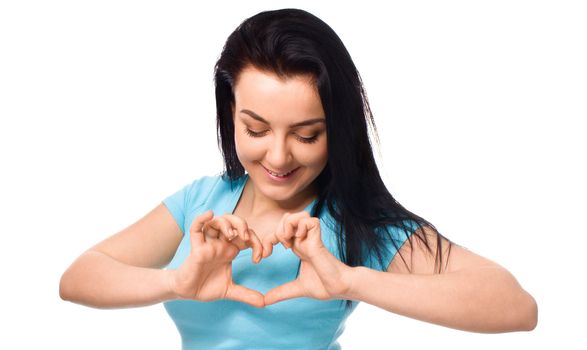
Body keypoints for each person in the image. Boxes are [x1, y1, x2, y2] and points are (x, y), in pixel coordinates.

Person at [59, 8, 538, 349]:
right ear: (231, 115)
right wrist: (175, 281)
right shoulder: (203, 201)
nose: (278, 155)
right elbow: (79, 278)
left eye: (307, 135)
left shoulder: (356, 223)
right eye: (256, 129)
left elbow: (516, 306)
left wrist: (350, 281)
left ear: (338, 129)